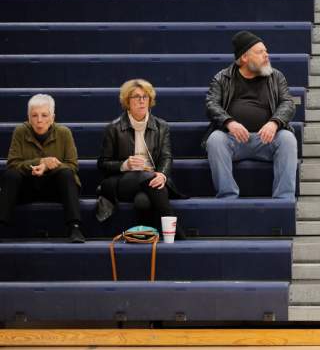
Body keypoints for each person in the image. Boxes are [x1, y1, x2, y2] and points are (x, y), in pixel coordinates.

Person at [204, 30, 297, 199]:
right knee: (215, 140)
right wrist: (229, 122)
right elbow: (211, 104)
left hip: (267, 140)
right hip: (233, 140)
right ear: (245, 57)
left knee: (288, 139)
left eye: (266, 51)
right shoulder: (222, 77)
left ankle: (284, 198)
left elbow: (288, 103)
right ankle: (228, 196)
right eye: (260, 52)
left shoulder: (276, 77)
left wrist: (274, 122)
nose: (266, 55)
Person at [97, 79, 185, 239]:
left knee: (143, 202)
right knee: (148, 177)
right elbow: (102, 164)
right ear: (127, 102)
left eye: (145, 97)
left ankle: (147, 237)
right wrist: (125, 165)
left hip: (151, 181)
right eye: (136, 97)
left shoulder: (161, 126)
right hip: (122, 182)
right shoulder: (114, 128)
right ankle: (177, 233)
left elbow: (166, 156)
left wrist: (162, 175)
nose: (142, 101)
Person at [0, 94, 85, 243]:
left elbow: (72, 166)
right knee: (10, 175)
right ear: (28, 117)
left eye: (44, 115)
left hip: (56, 189)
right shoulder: (20, 131)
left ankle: (75, 228)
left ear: (52, 117)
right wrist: (40, 161)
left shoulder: (64, 133)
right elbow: (13, 164)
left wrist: (49, 166)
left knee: (66, 174)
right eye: (34, 115)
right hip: (28, 187)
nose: (39, 120)